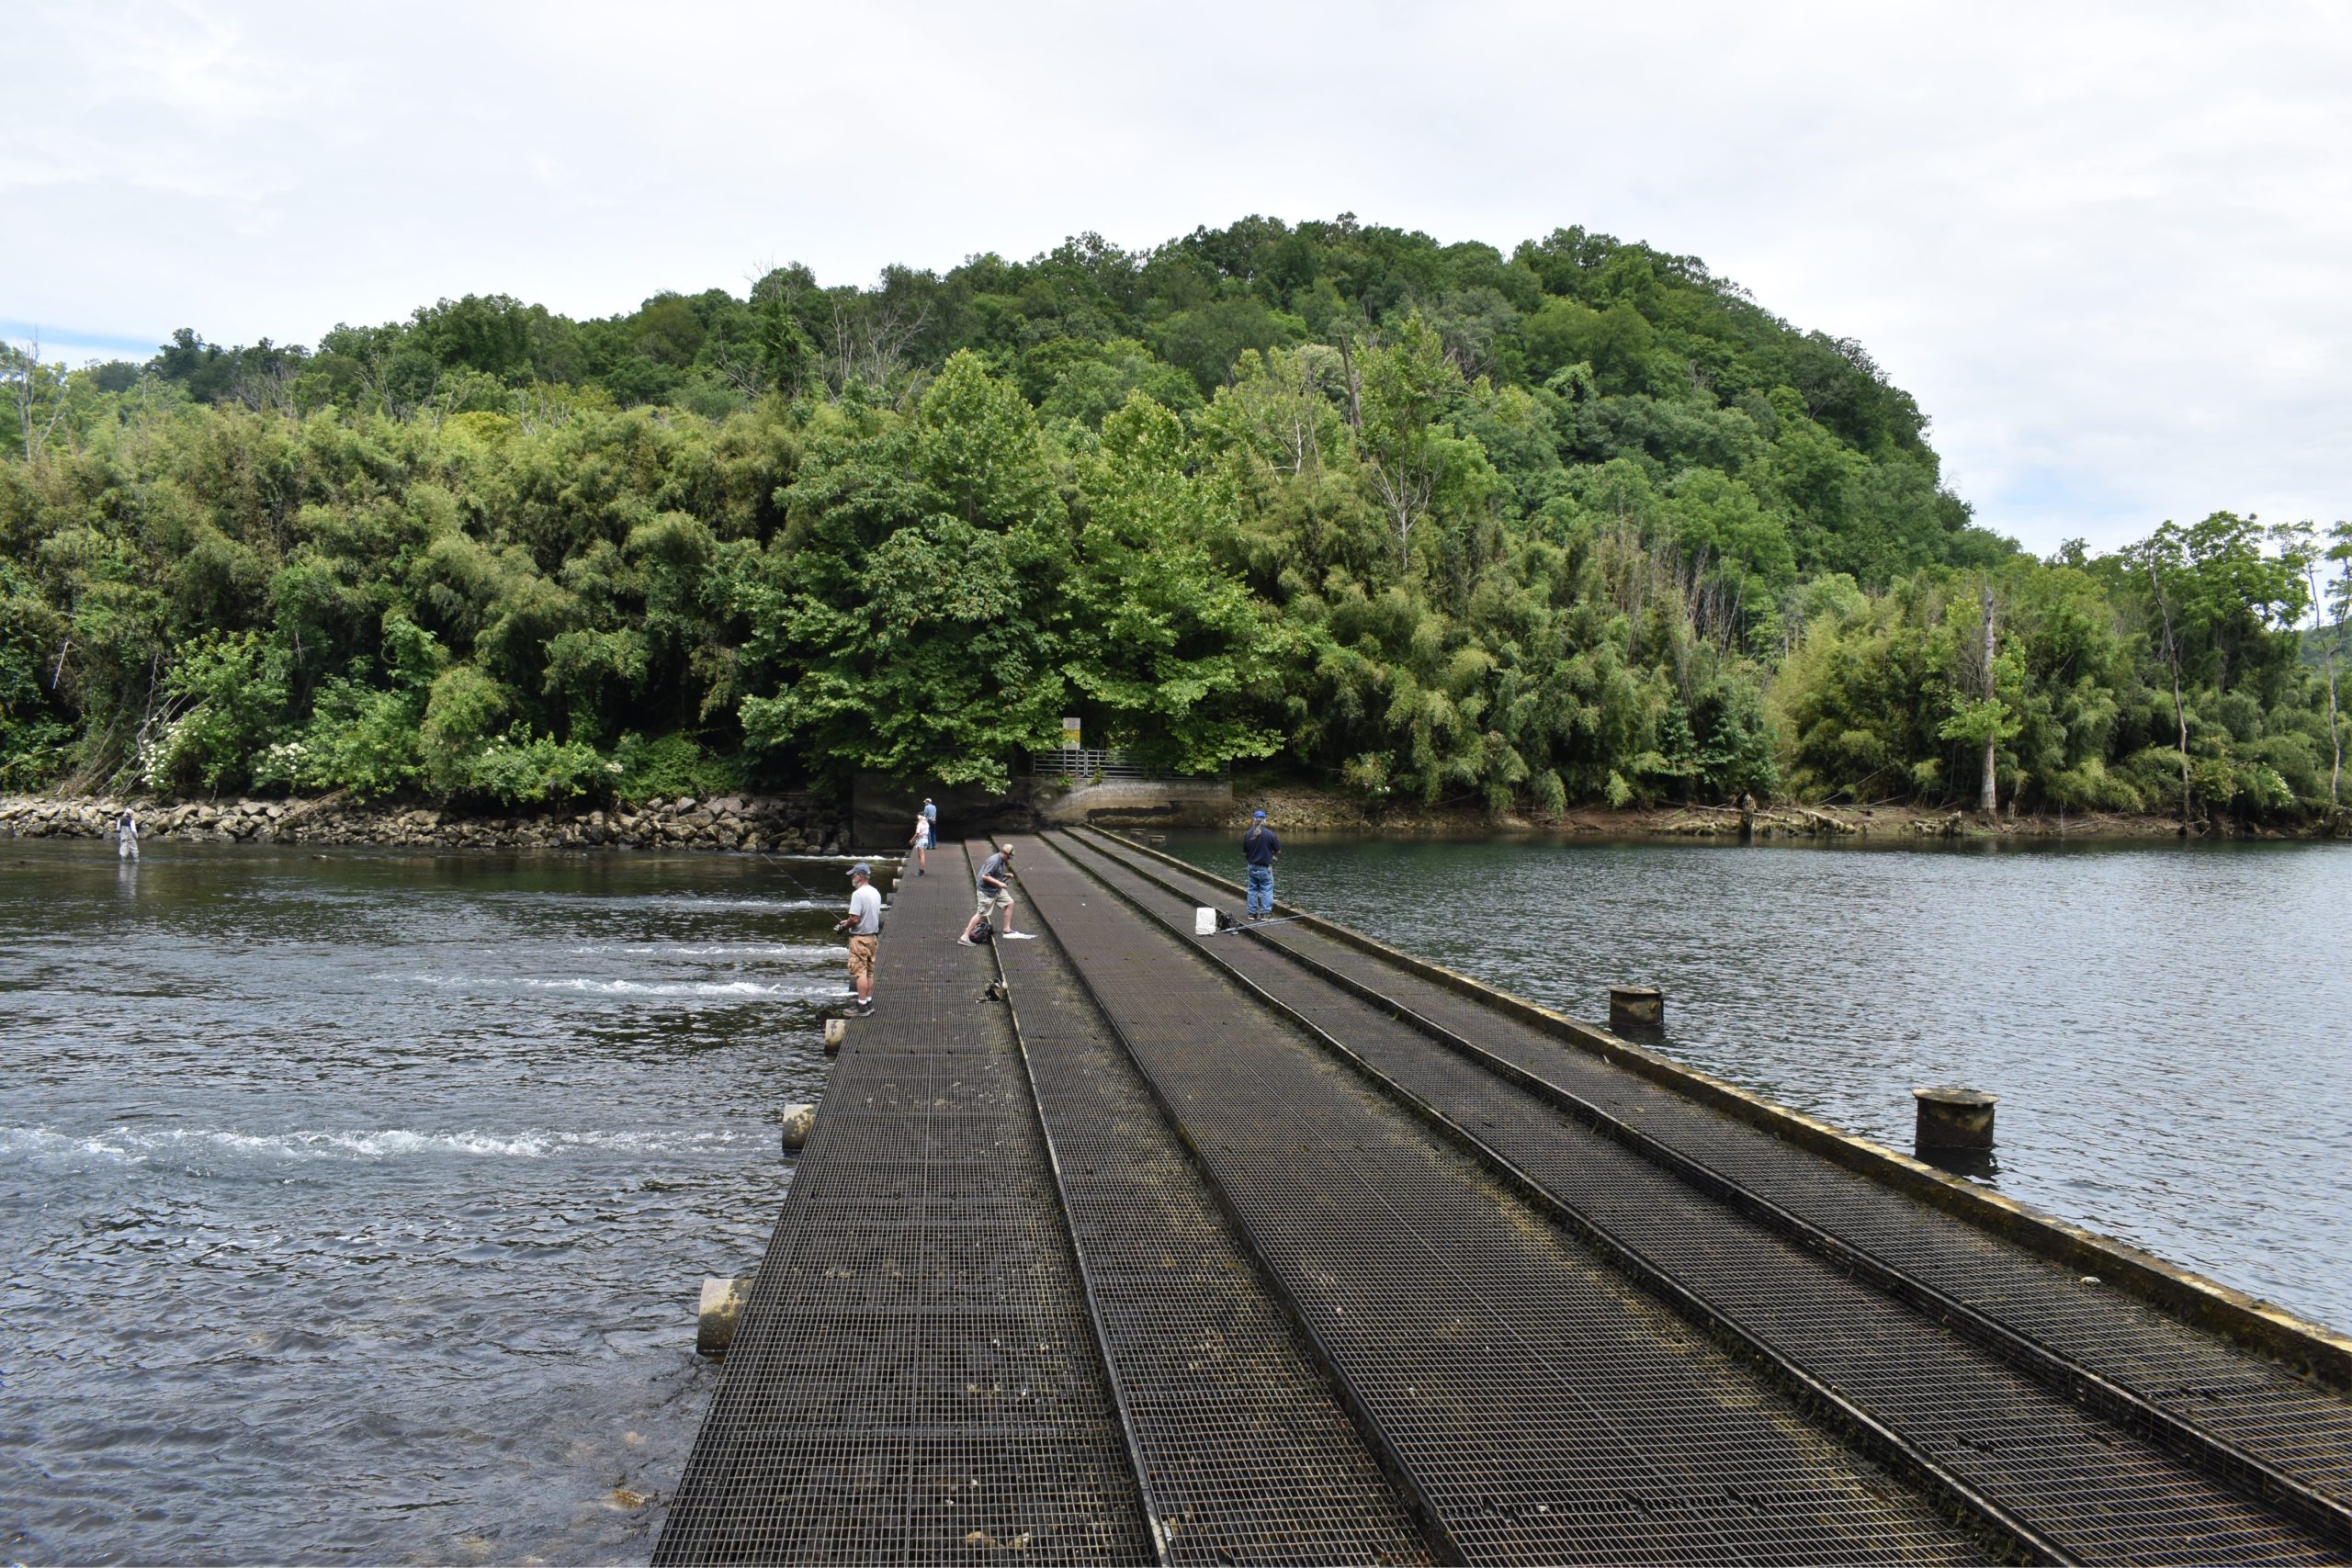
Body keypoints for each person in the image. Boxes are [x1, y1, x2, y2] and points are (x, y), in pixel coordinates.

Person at [958, 842, 1035, 944]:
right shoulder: (994, 861)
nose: (1009, 859)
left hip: (996, 889)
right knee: (981, 914)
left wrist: (1005, 875)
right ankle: (964, 937)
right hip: (987, 891)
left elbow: (994, 873)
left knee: (1010, 903)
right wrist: (999, 883)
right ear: (1004, 853)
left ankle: (1007, 929)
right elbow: (985, 876)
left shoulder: (1001, 860)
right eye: (1009, 857)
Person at [833, 863, 883, 1014]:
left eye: (854, 875)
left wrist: (843, 926)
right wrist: (847, 922)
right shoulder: (875, 892)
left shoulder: (858, 894)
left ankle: (861, 1007)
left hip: (859, 939)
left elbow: (855, 919)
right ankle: (868, 1002)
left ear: (860, 876)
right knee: (869, 972)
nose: (852, 878)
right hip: (873, 938)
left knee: (859, 972)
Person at [1241, 809, 1280, 919]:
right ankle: (1266, 913)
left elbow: (1245, 850)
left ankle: (1252, 913)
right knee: (1266, 889)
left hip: (1251, 866)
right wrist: (1271, 853)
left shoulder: (1248, 834)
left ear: (1254, 820)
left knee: (1252, 890)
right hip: (1264, 867)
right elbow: (1278, 850)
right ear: (1264, 820)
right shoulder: (1270, 834)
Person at [908, 807, 932, 875]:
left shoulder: (919, 824)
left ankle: (921, 871)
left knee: (921, 856)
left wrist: (912, 840)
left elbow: (917, 833)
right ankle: (921, 870)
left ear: (920, 817)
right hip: (926, 840)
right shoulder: (927, 823)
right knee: (921, 856)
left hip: (921, 841)